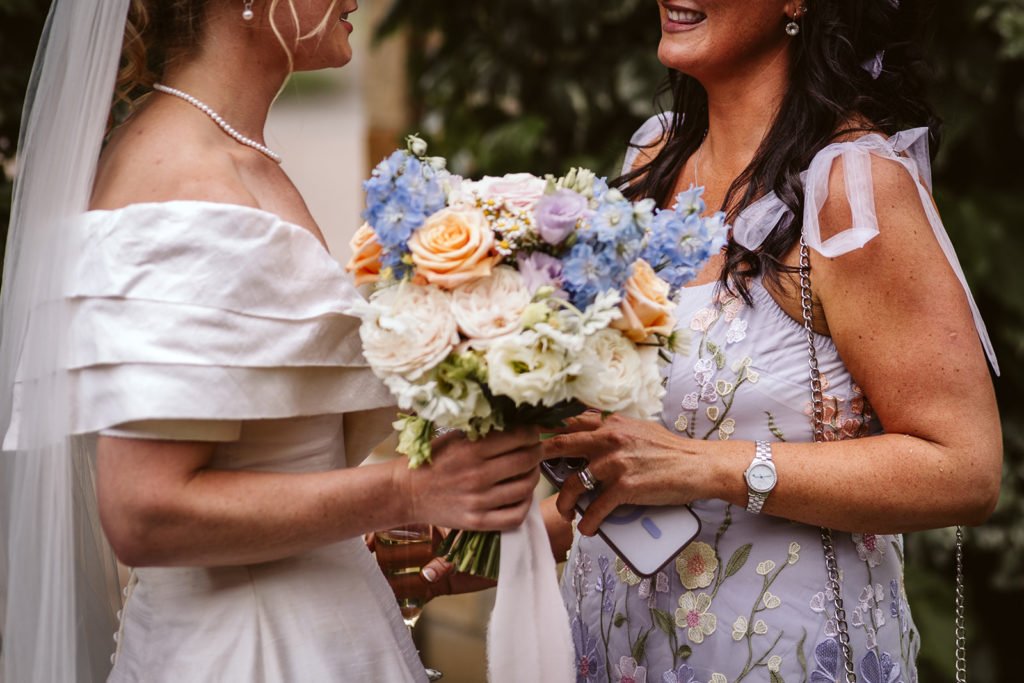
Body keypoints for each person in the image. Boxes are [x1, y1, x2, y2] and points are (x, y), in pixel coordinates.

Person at [0, 1, 543, 681]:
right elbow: (145, 510)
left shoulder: (233, 153)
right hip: (253, 652)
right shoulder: (187, 180)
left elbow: (270, 451)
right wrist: (409, 490)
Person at [533, 1, 1002, 682]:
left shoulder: (848, 189)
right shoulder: (653, 157)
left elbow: (964, 466)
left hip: (777, 653)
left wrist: (714, 467)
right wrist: (496, 544)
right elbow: (639, 464)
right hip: (615, 647)